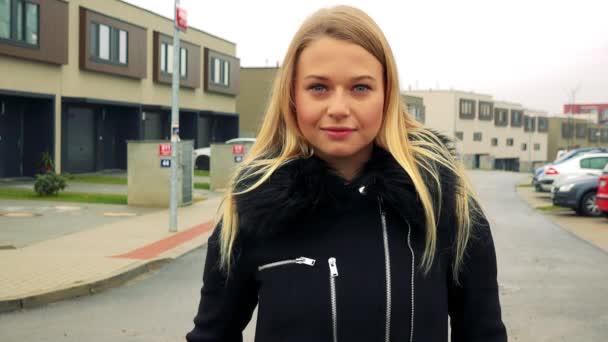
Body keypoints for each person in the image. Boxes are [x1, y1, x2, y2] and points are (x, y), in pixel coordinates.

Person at [186, 5, 507, 342]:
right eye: (319, 88)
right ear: (293, 96)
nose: (338, 109)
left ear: (387, 95)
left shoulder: (443, 202)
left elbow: (483, 333)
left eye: (360, 88)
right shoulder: (251, 207)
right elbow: (212, 334)